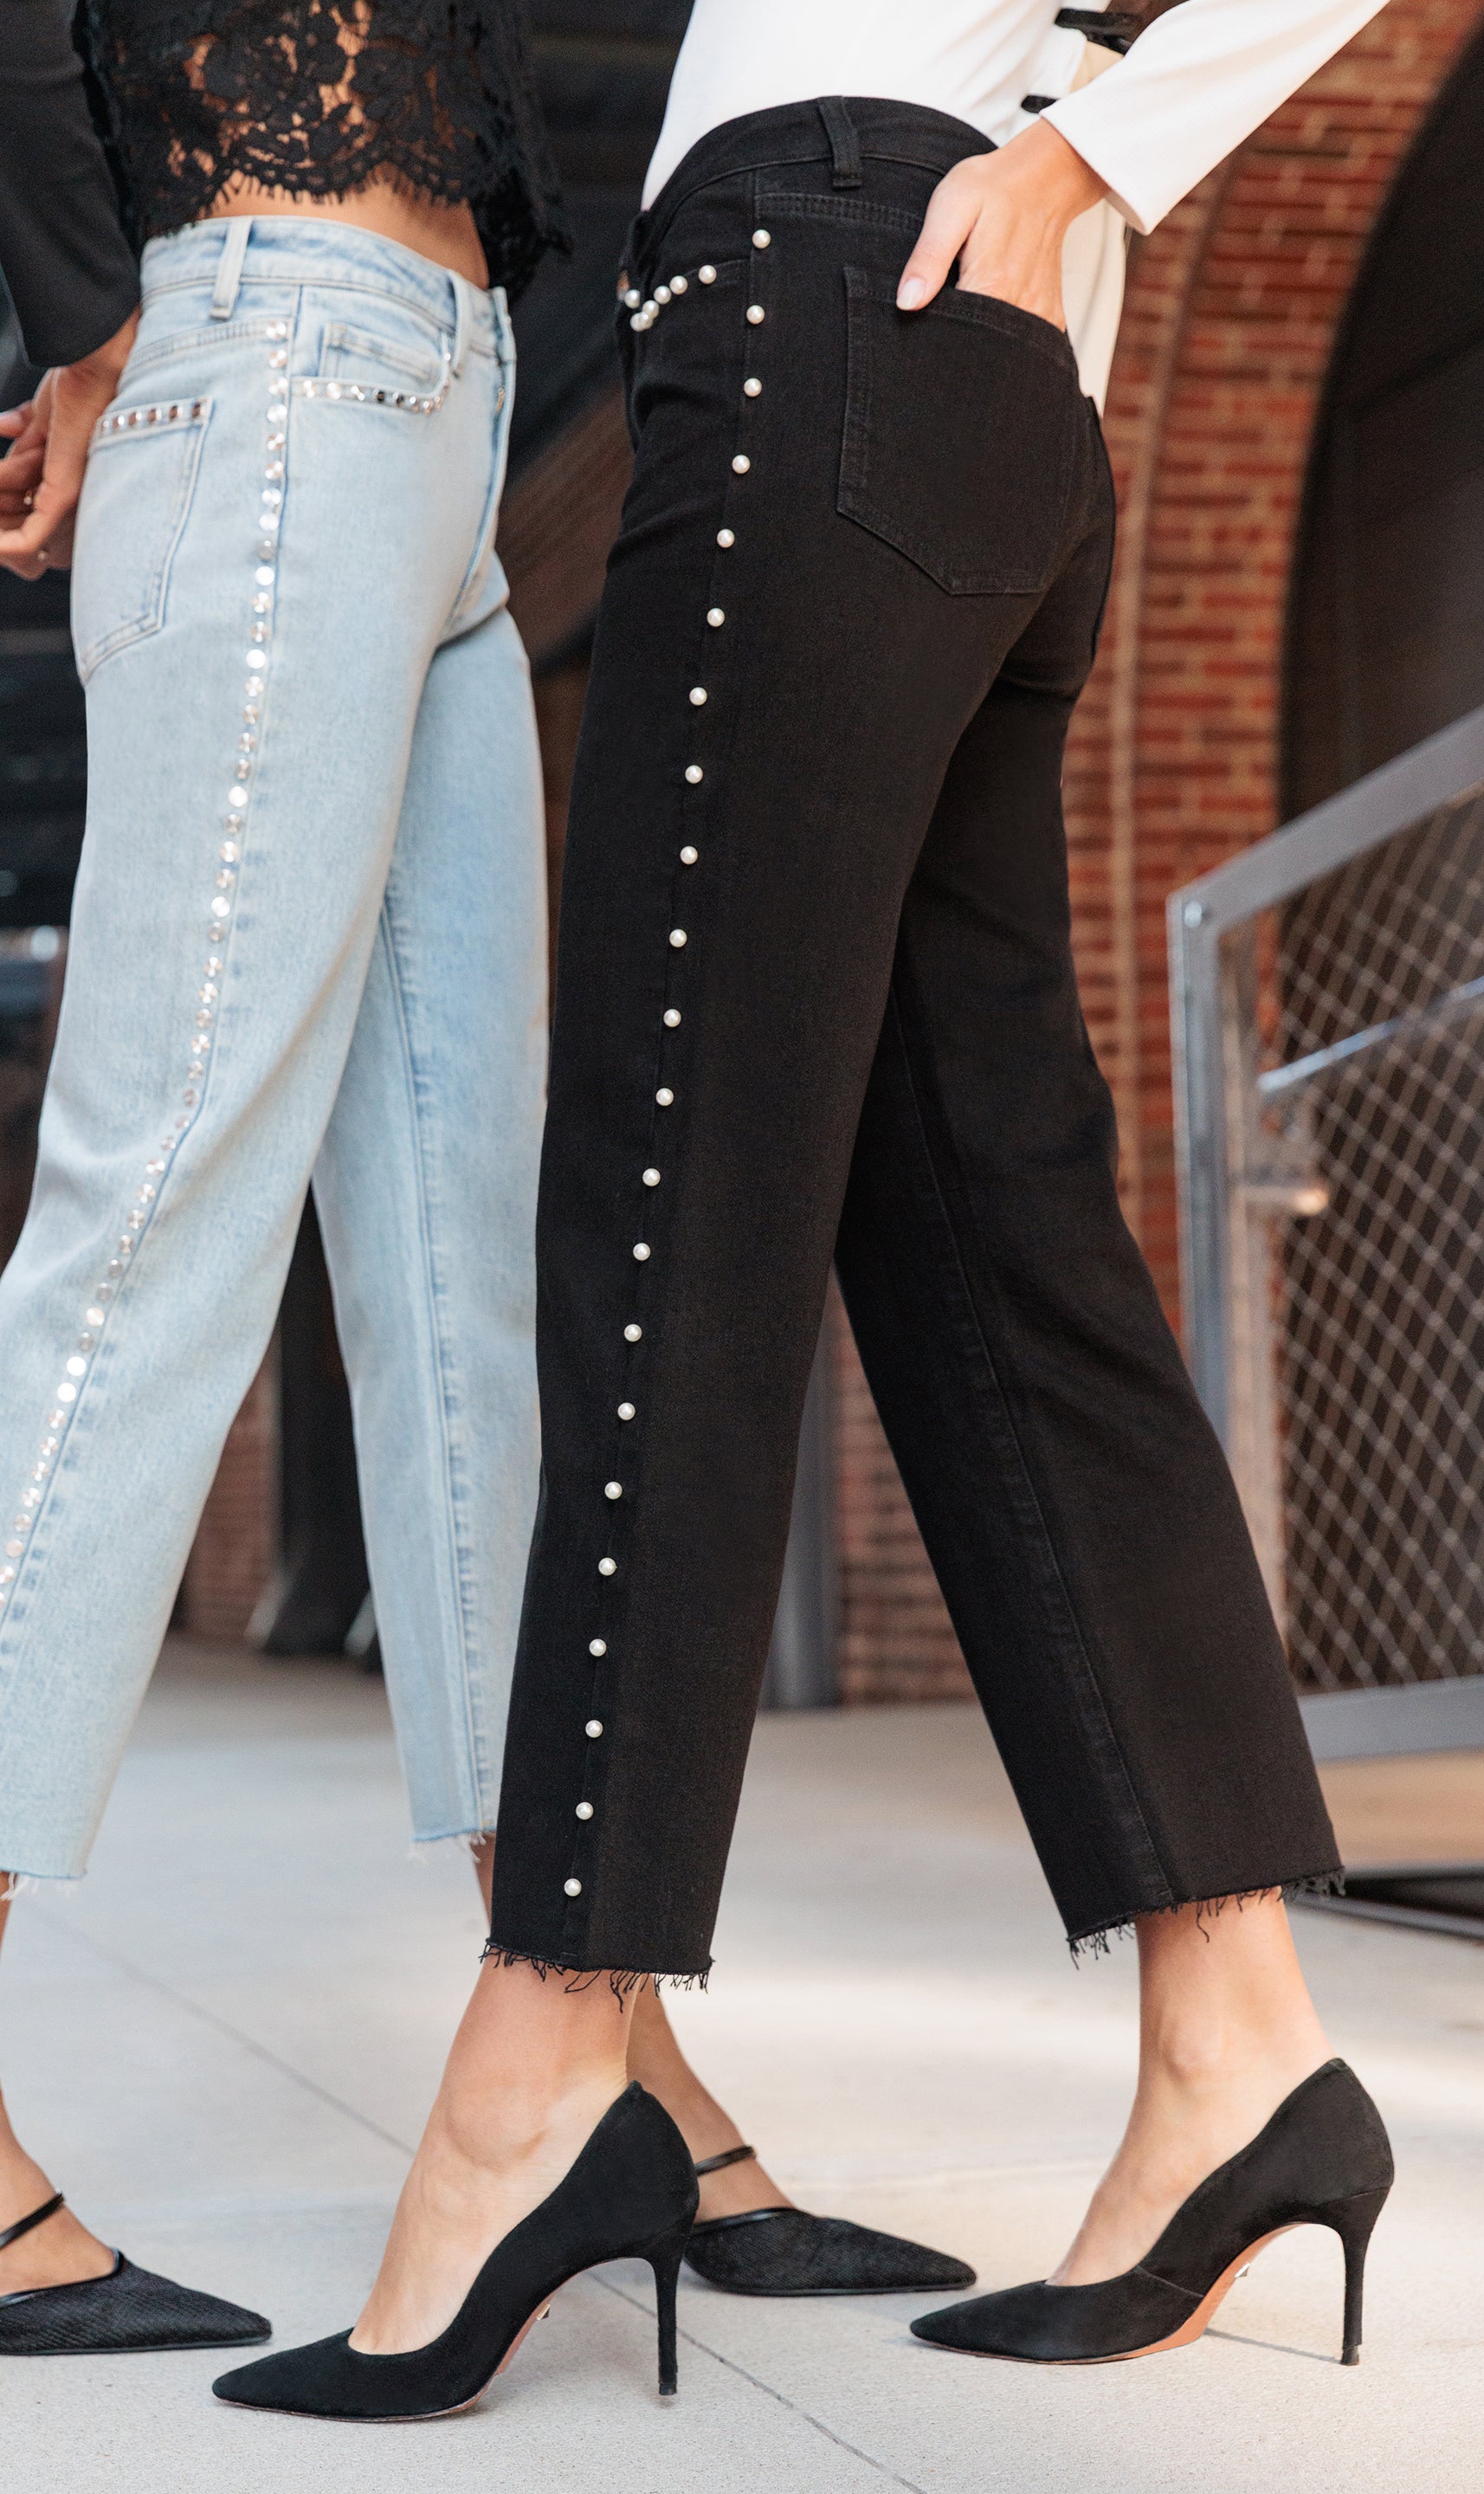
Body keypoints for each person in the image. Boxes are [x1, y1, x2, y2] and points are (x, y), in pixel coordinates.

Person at [214, 0, 1405, 2425]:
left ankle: (549, 2052)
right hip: (960, 364)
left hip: (830, 299)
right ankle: (1237, 2042)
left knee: (668, 1185)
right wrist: (1084, 172)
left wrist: (1109, 158)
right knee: (985, 1226)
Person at [0, 0, 965, 2358]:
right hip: (271, 353)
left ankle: (595, 2052)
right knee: (148, 1240)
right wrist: (93, 312)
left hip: (429, 401)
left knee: (465, 1309)